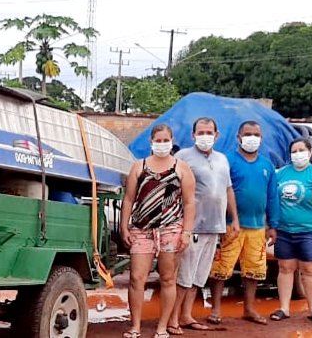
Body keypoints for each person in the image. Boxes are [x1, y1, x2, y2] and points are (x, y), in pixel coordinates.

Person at [120, 124, 196, 338]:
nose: (162, 144)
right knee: (136, 277)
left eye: (166, 140)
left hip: (172, 229)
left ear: (172, 141)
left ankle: (162, 327)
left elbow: (189, 203)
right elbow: (128, 198)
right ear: (151, 142)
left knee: (168, 278)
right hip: (142, 229)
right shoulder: (139, 166)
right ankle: (134, 326)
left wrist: (186, 232)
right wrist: (124, 225)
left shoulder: (182, 168)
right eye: (158, 140)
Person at [168, 117, 239, 334]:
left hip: (215, 226)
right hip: (192, 227)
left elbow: (227, 189)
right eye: (201, 132)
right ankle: (172, 319)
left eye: (209, 132)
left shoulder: (222, 160)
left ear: (216, 135)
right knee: (184, 275)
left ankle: (187, 315)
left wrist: (234, 218)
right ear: (193, 135)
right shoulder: (182, 157)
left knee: (199, 276)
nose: (205, 136)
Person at [208, 120, 280, 326]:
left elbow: (272, 196)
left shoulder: (267, 165)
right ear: (238, 138)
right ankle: (216, 309)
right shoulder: (227, 161)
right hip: (230, 226)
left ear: (261, 139)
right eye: (248, 134)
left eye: (256, 135)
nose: (252, 138)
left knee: (254, 271)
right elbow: (219, 192)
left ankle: (249, 309)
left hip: (258, 228)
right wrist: (220, 222)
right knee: (221, 269)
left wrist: (273, 224)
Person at [270, 137, 312, 326]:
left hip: (310, 230)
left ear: (309, 152)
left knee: (310, 269)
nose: (297, 154)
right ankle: (284, 308)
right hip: (284, 230)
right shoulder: (281, 173)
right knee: (285, 268)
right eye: (294, 151)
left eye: (301, 150)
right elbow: (272, 198)